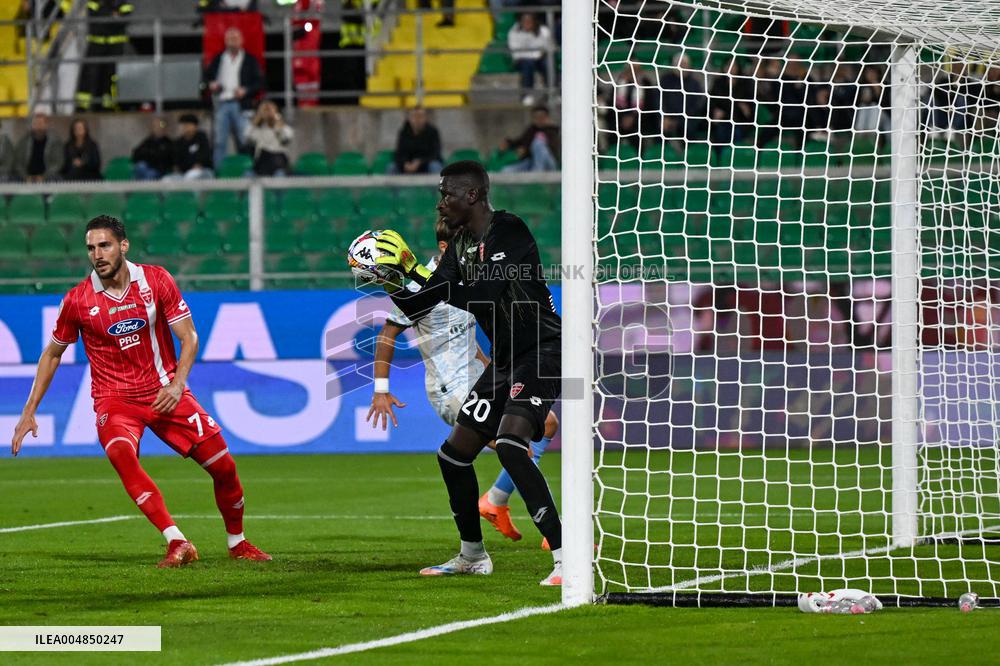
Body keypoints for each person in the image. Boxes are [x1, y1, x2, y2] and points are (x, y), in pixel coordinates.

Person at [10, 215, 271, 567]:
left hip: (165, 392)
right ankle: (176, 541)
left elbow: (189, 336)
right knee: (122, 456)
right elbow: (52, 354)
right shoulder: (77, 301)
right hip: (114, 400)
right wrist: (29, 410)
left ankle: (237, 543)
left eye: (104, 245)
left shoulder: (156, 280)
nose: (97, 254)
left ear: (123, 245)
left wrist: (178, 384)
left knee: (224, 468)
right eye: (91, 248)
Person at [374, 161, 564, 585]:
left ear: (472, 195)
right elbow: (428, 300)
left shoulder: (508, 230)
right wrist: (393, 278)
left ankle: (565, 557)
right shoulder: (458, 243)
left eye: (447, 194)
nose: (441, 203)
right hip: (503, 359)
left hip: (542, 350)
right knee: (453, 456)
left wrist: (415, 278)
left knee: (512, 445)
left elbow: (480, 293)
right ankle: (472, 556)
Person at [202, 27, 263, 169]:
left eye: (235, 39)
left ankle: (249, 170)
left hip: (241, 105)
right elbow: (206, 77)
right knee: (219, 141)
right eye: (229, 39)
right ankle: (219, 172)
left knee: (245, 140)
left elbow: (259, 82)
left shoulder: (249, 59)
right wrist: (212, 84)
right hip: (222, 103)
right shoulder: (218, 59)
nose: (232, 42)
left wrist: (245, 90)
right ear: (225, 42)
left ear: (241, 41)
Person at [74, 0, 133, 111]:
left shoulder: (124, 2)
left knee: (111, 76)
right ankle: (82, 106)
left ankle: (107, 105)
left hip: (114, 48)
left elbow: (125, 19)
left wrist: (107, 17)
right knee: (90, 76)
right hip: (96, 46)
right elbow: (95, 18)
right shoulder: (94, 1)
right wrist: (113, 16)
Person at [507, 12, 553, 106]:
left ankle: (551, 93)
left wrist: (540, 54)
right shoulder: (514, 32)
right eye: (525, 21)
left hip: (540, 57)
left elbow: (548, 46)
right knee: (527, 64)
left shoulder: (543, 31)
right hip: (522, 59)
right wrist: (530, 55)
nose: (527, 23)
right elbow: (515, 50)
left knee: (548, 63)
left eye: (529, 21)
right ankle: (527, 94)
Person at [500, 105, 560, 173]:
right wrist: (508, 143)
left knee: (538, 143)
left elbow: (551, 149)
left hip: (548, 163)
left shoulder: (552, 131)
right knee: (506, 171)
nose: (539, 119)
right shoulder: (531, 130)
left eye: (541, 117)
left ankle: (537, 173)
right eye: (536, 117)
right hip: (532, 162)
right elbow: (520, 141)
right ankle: (535, 171)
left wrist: (527, 149)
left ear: (547, 118)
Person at [244, 100, 294, 176]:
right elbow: (247, 136)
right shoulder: (259, 129)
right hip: (262, 164)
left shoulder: (282, 127)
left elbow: (287, 137)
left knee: (279, 175)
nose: (268, 113)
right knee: (247, 174)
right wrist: (257, 119)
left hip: (278, 163)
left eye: (269, 110)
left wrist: (277, 119)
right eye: (265, 111)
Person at [12, 110, 63, 183]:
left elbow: (58, 163)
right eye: (35, 123)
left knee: (57, 179)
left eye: (41, 123)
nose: (38, 126)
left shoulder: (55, 141)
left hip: (48, 176)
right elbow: (18, 163)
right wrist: (26, 177)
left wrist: (44, 177)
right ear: (32, 125)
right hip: (27, 176)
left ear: (46, 125)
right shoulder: (23, 141)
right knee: (12, 179)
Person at [390, 106, 443, 175]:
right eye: (414, 116)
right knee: (392, 167)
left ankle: (438, 185)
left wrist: (420, 162)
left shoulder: (433, 132)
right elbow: (399, 153)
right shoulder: (403, 132)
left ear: (425, 118)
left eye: (420, 116)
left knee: (435, 166)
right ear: (409, 118)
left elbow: (436, 154)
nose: (417, 119)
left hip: (426, 165)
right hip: (407, 166)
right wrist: (405, 163)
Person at [172, 113, 213, 180]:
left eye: (187, 125)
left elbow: (205, 155)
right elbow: (177, 162)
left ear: (195, 126)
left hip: (203, 171)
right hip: (184, 174)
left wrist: (199, 164)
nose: (185, 127)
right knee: (167, 180)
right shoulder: (178, 142)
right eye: (183, 125)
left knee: (192, 176)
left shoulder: (201, 138)